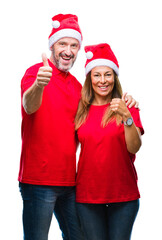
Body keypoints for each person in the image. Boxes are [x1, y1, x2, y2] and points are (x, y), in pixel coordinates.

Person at [18, 13, 138, 240]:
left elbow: (98, 112)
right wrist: (39, 85)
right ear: (52, 46)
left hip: (71, 183)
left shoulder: (77, 87)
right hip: (38, 181)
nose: (68, 50)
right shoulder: (36, 74)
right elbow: (29, 105)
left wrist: (128, 101)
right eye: (62, 43)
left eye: (74, 45)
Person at [75, 43, 144, 240]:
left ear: (115, 77)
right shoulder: (81, 110)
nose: (103, 80)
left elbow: (135, 147)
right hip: (87, 197)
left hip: (124, 197)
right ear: (90, 78)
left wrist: (127, 117)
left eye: (108, 74)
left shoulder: (127, 107)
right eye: (97, 75)